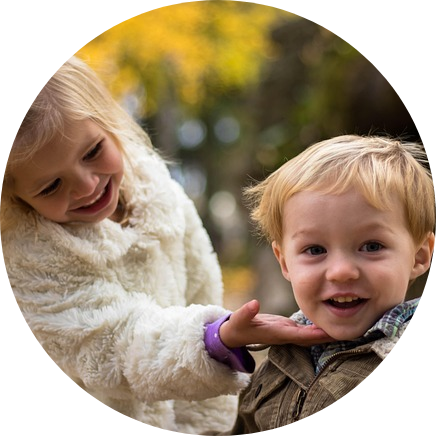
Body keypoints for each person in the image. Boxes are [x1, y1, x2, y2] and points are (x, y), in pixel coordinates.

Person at [1, 56, 330, 433]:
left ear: (110, 123)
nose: (87, 186)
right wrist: (213, 339)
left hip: (200, 416)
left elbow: (200, 282)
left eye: (92, 152)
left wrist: (222, 355)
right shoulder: (29, 260)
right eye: (51, 186)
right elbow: (112, 348)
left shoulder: (154, 190)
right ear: (15, 197)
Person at [201, 135, 435, 434]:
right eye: (315, 250)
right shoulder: (280, 358)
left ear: (419, 256)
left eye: (372, 246)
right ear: (285, 262)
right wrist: (217, 342)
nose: (340, 272)